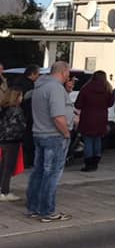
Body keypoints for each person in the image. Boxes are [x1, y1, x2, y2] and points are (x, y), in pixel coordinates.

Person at [25, 61, 72, 222]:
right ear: (64, 72)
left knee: (39, 172)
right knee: (51, 174)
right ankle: (47, 211)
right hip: (54, 135)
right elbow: (57, 116)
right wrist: (66, 133)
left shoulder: (40, 86)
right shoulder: (55, 88)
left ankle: (33, 207)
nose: (69, 76)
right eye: (68, 73)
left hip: (39, 133)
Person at [74, 71, 114, 172]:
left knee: (88, 141)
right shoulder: (107, 89)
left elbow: (78, 104)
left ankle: (88, 163)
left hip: (87, 118)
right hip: (101, 118)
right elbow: (110, 103)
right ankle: (96, 161)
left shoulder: (86, 89)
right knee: (97, 140)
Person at [0, 87, 26, 201]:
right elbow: (19, 126)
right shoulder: (16, 110)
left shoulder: (3, 108)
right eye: (20, 95)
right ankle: (4, 192)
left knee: (2, 166)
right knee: (8, 167)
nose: (22, 98)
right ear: (16, 97)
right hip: (12, 141)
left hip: (2, 140)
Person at [13, 64, 40, 168]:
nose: (38, 77)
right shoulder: (29, 85)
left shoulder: (17, 81)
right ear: (32, 74)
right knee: (28, 139)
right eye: (37, 74)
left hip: (20, 115)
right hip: (28, 115)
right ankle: (28, 161)